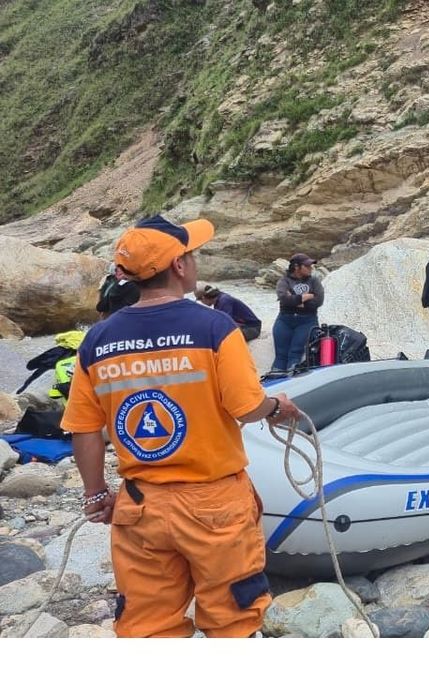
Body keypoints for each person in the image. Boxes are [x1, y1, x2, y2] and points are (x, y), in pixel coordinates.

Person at [59, 214, 303, 638]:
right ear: (178, 266)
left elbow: (83, 428)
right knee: (234, 618)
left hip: (141, 507)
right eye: (191, 254)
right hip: (215, 505)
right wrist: (277, 406)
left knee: (147, 625)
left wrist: (96, 493)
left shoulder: (97, 341)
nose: (194, 261)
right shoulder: (214, 327)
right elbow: (247, 408)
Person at [270, 253, 324, 374]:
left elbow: (318, 301)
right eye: (307, 266)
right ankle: (274, 384)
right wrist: (305, 297)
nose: (311, 268)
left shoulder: (314, 281)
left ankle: (293, 384)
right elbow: (284, 299)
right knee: (280, 355)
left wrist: (295, 300)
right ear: (296, 267)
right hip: (285, 320)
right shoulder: (284, 281)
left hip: (307, 320)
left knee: (295, 353)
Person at [194, 284, 262, 342]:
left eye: (200, 300)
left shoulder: (224, 301)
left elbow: (226, 325)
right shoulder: (220, 300)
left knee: (223, 338)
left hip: (251, 328)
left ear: (203, 298)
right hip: (245, 326)